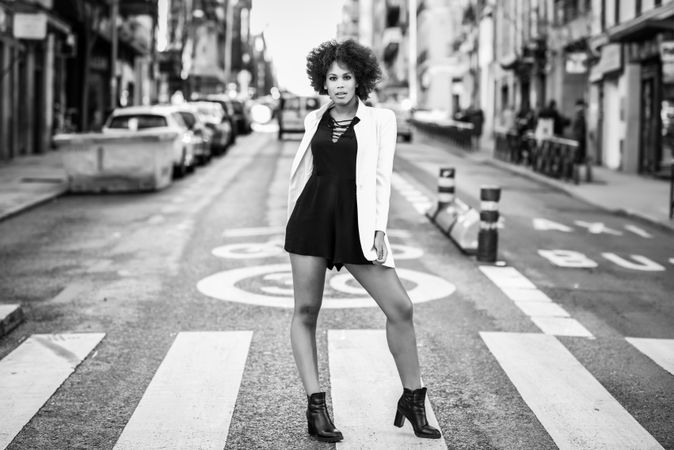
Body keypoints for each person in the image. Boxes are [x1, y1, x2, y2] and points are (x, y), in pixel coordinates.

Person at [284, 39, 442, 443]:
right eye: (332, 77)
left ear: (360, 79)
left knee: (400, 307)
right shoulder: (313, 120)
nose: (339, 85)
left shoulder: (380, 120)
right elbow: (305, 174)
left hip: (355, 224)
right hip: (312, 220)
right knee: (305, 310)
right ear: (323, 81)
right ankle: (316, 407)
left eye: (347, 77)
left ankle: (413, 397)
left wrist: (378, 229)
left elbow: (380, 178)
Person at [571, 99, 587, 163]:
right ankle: (578, 161)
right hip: (579, 136)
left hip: (578, 135)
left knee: (578, 150)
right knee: (579, 150)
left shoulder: (578, 114)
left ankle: (578, 161)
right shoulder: (580, 114)